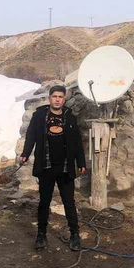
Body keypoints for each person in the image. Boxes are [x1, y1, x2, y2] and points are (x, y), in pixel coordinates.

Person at [20, 84, 86, 251]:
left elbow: (77, 142)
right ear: (49, 98)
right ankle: (41, 234)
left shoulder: (70, 117)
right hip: (46, 166)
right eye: (55, 96)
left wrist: (81, 162)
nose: (57, 100)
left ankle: (75, 235)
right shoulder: (39, 115)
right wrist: (25, 153)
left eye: (60, 97)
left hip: (65, 167)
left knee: (69, 202)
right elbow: (31, 136)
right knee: (44, 201)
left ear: (64, 99)